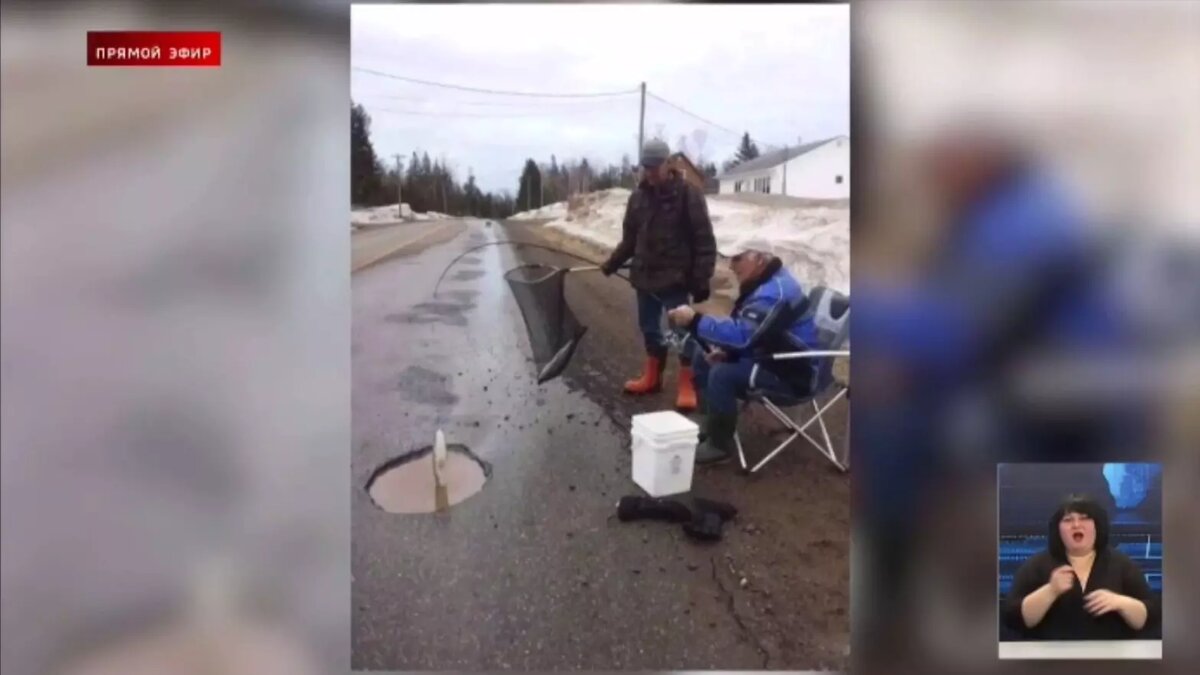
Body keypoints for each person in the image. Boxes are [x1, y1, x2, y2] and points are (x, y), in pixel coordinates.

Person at [666, 249, 819, 465]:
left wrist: (694, 321)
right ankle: (711, 423)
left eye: (737, 258)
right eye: (729, 258)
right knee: (703, 355)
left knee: (722, 374)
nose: (730, 266)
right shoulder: (768, 280)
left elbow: (744, 337)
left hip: (793, 374)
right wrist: (728, 352)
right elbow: (758, 334)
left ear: (759, 259)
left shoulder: (774, 293)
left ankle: (719, 446)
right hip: (771, 356)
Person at [600, 139, 717, 411]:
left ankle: (689, 383)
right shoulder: (637, 198)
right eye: (646, 167)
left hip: (675, 280)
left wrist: (701, 279)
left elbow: (704, 241)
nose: (650, 172)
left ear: (669, 163)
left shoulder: (689, 194)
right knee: (650, 329)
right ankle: (652, 377)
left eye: (655, 166)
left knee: (681, 333)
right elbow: (630, 240)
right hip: (644, 278)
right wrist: (612, 263)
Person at [1002, 494, 1160, 640]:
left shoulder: (1121, 564)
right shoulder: (1036, 565)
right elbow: (1014, 619)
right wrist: (1050, 590)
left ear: (1097, 526)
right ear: (1058, 529)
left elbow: (1148, 619)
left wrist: (1120, 602)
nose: (1076, 525)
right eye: (1068, 520)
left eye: (1085, 518)